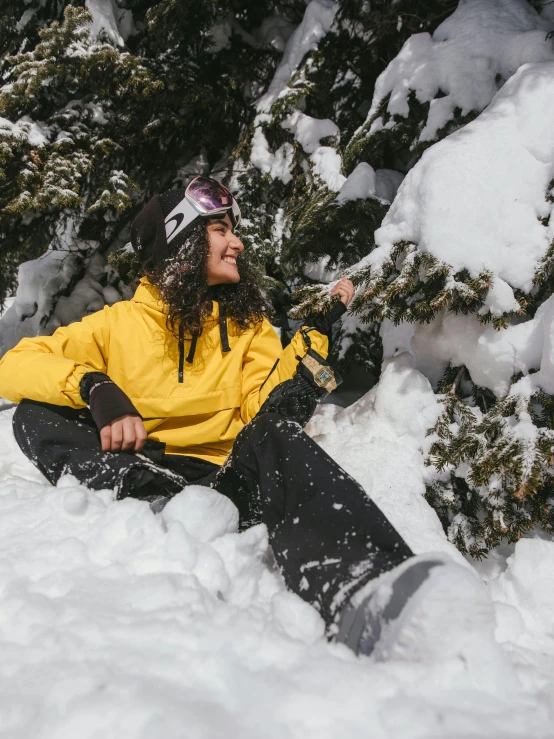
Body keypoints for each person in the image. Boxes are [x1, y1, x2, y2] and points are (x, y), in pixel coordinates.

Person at [0, 176, 484, 657]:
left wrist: (312, 339)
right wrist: (95, 386)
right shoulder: (117, 326)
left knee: (276, 433)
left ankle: (369, 589)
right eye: (220, 230)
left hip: (225, 483)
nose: (238, 242)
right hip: (137, 467)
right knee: (34, 413)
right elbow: (14, 364)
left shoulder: (248, 328)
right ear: (181, 240)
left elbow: (264, 409)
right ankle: (151, 503)